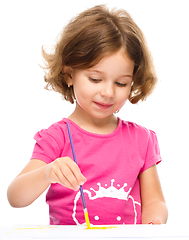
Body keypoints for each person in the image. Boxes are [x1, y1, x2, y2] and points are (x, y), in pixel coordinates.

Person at [7, 5, 168, 225]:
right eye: (95, 79)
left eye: (121, 83)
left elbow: (154, 202)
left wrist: (155, 222)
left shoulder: (142, 139)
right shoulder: (56, 137)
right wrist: (47, 172)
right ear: (69, 74)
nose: (108, 92)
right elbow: (15, 197)